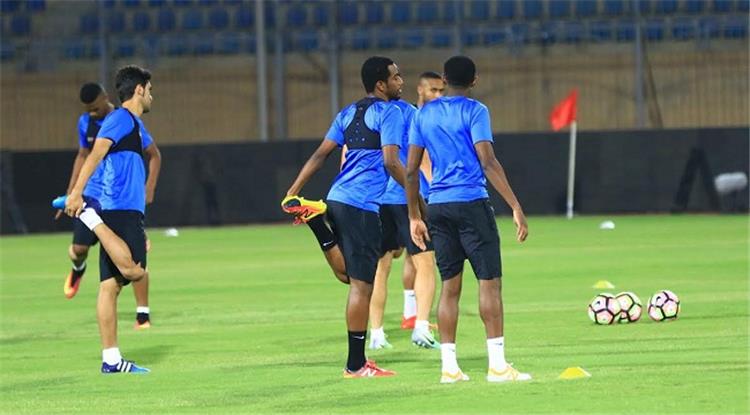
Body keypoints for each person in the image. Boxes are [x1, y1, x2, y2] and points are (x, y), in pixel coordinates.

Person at [405, 56, 531, 384]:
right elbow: (488, 161)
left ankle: (449, 368)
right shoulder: (476, 111)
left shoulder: (423, 114)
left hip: (438, 207)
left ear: (444, 80)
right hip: (472, 203)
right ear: (474, 81)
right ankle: (498, 367)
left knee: (450, 287)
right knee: (489, 283)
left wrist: (414, 216)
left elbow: (411, 171)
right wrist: (515, 205)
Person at [281, 56, 405, 378]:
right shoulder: (389, 112)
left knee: (348, 277)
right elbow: (391, 162)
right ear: (381, 84)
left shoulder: (348, 113)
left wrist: (293, 191)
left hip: (337, 198)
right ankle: (356, 365)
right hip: (362, 205)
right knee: (362, 286)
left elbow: (320, 154)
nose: (400, 82)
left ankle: (317, 223)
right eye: (396, 77)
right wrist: (415, 193)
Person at [65, 65, 157, 373]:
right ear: (139, 90)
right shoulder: (120, 119)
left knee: (110, 287)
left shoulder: (131, 123)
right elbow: (94, 154)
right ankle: (91, 218)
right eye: (150, 89)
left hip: (124, 209)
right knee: (135, 270)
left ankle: (112, 360)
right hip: (119, 210)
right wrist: (77, 194)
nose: (152, 95)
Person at [368, 71, 445, 351]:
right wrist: (431, 192)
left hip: (375, 199)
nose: (400, 82)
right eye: (396, 78)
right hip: (404, 196)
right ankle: (420, 326)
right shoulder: (411, 113)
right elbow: (420, 157)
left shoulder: (365, 114)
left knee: (380, 267)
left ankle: (376, 334)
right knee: (425, 261)